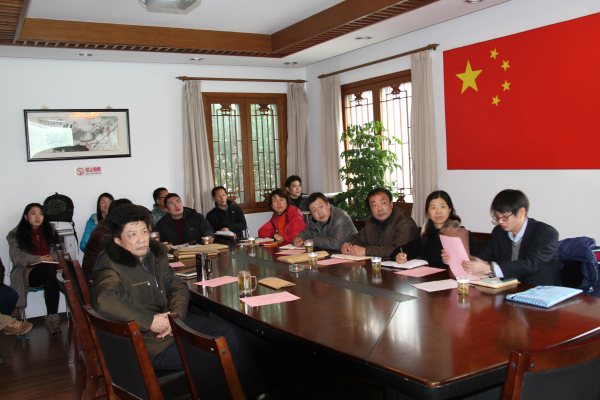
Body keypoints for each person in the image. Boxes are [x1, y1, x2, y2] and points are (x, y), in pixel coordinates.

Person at [90, 204, 266, 399]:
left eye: (144, 231)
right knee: (217, 352)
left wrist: (175, 316)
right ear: (117, 241)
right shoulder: (110, 264)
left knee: (229, 332)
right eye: (132, 234)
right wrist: (151, 321)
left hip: (172, 321)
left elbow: (178, 287)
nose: (141, 239)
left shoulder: (155, 254)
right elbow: (103, 298)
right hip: (149, 341)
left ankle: (253, 394)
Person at [450, 189, 561, 285]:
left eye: (505, 217)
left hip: (540, 292)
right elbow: (483, 258)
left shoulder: (546, 233)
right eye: (497, 217)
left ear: (522, 212)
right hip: (509, 291)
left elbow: (530, 264)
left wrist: (489, 268)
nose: (500, 221)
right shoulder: (499, 232)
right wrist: (457, 258)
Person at [6, 203, 62, 336]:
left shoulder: (50, 231)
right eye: (33, 213)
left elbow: (59, 253)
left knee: (50, 281)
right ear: (26, 217)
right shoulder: (16, 234)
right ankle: (71, 291)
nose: (38, 217)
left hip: (49, 271)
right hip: (28, 272)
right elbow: (16, 258)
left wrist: (51, 258)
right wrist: (38, 259)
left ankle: (53, 324)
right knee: (49, 269)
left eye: (41, 214)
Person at [390, 191, 474, 269]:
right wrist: (399, 256)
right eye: (433, 208)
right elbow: (402, 251)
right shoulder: (427, 234)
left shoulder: (460, 233)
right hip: (428, 278)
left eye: (442, 207)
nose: (438, 211)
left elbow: (474, 261)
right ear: (427, 212)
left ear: (449, 210)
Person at [342, 188, 419, 257]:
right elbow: (359, 240)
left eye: (383, 203)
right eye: (374, 205)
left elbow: (398, 250)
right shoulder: (370, 222)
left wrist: (366, 251)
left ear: (391, 204)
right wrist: (349, 246)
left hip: (405, 265)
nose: (379, 209)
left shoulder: (404, 222)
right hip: (379, 264)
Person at [82, 198, 133, 281]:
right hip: (97, 278)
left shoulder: (107, 224)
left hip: (101, 273)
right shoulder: (107, 234)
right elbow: (121, 259)